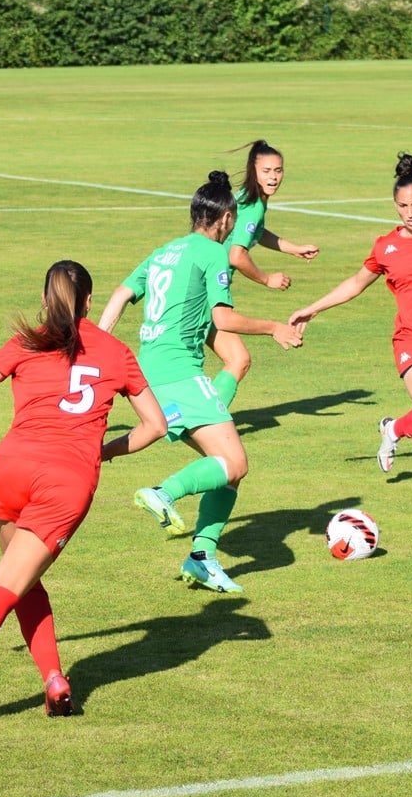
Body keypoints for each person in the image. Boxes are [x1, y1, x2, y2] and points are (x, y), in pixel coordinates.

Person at [0, 260, 167, 740]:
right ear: (89, 302)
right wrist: (100, 451)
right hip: (66, 483)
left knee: (20, 579)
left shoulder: (26, 341)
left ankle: (53, 677)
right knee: (7, 586)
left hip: (10, 469)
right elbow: (155, 427)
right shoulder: (117, 352)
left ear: (45, 301)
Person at [98, 171, 305, 593]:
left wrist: (100, 344)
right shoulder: (213, 253)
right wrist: (273, 327)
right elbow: (222, 318)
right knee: (235, 463)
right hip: (180, 372)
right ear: (226, 219)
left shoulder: (163, 252)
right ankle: (164, 492)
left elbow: (120, 295)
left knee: (227, 473)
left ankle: (202, 557)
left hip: (151, 369)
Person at [289, 153, 412, 512]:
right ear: (394, 206)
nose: (411, 212)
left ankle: (393, 429)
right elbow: (355, 283)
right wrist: (312, 307)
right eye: (403, 206)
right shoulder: (386, 246)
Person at [208, 139, 319, 411]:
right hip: (207, 292)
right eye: (267, 171)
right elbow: (237, 254)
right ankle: (202, 418)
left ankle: (199, 417)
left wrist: (292, 248)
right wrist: (267, 278)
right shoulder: (254, 205)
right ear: (253, 170)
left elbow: (256, 232)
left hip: (203, 288)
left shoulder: (248, 199)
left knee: (238, 360)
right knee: (237, 360)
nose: (274, 177)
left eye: (278, 170)